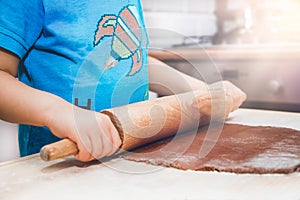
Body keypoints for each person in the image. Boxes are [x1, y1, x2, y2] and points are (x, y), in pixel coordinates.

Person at [0, 0, 246, 162]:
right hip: (64, 167)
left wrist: (199, 92)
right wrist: (58, 112)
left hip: (131, 157)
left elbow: (135, 61)